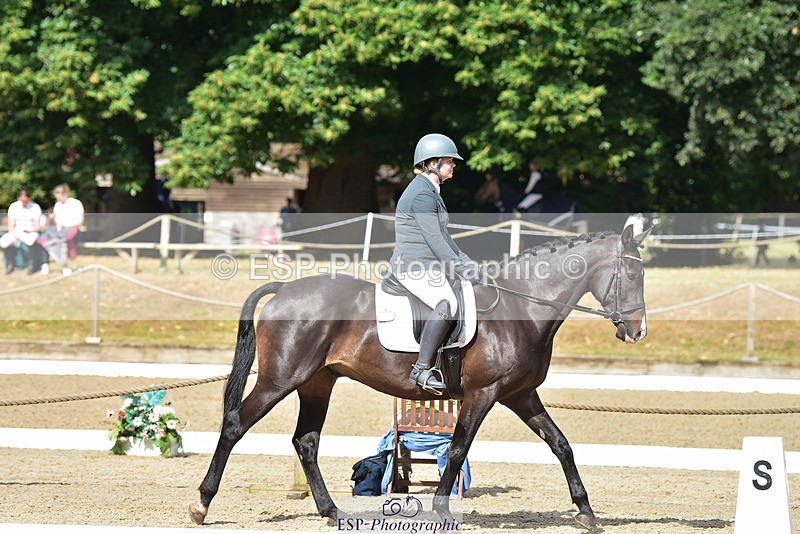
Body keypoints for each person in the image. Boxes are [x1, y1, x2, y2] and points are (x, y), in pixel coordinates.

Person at [389, 133, 480, 393]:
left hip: (426, 265)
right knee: (447, 303)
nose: (453, 165)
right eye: (449, 161)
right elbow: (435, 241)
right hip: (413, 266)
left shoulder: (430, 191)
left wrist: (468, 264)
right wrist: (460, 268)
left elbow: (445, 238)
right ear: (432, 163)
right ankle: (421, 369)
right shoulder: (422, 195)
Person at [37, 184, 84, 275]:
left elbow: (80, 220)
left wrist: (67, 226)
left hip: (72, 229)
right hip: (59, 230)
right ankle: (45, 264)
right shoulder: (57, 205)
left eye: (59, 194)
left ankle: (65, 266)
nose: (58, 197)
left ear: (65, 193)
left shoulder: (75, 203)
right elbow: (56, 221)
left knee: (61, 242)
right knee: (43, 238)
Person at [1, 189, 43, 275]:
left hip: (30, 230)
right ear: (18, 198)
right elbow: (11, 224)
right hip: (17, 231)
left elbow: (38, 226)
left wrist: (31, 230)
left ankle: (31, 265)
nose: (24, 202)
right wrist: (13, 235)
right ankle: (10, 264)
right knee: (4, 242)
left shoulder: (35, 207)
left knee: (31, 241)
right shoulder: (14, 206)